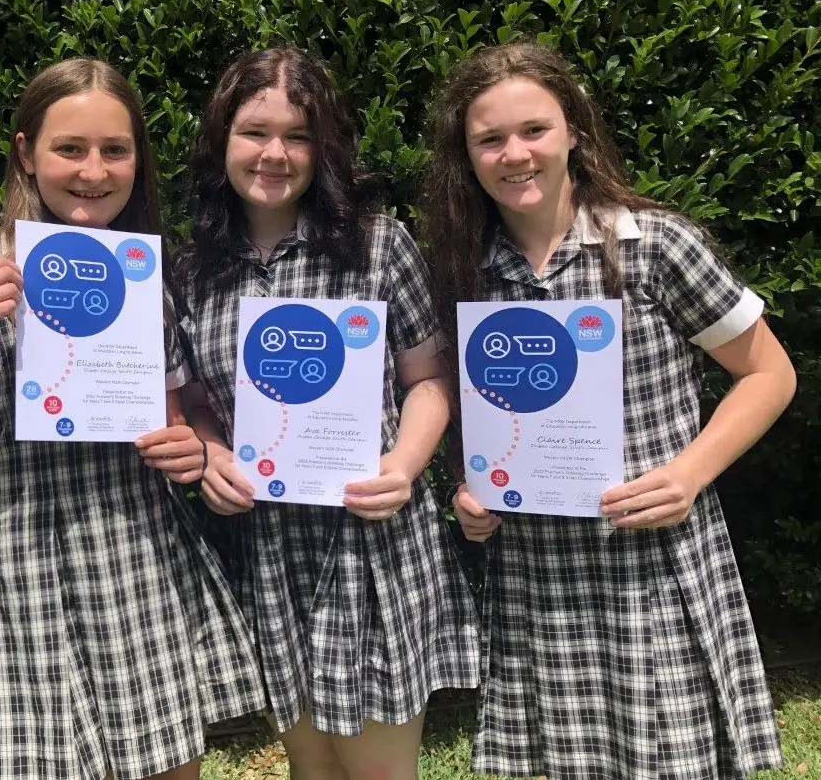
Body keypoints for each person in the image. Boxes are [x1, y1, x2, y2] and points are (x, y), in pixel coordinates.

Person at [421, 40, 795, 779]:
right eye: (489, 139)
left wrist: (688, 474)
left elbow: (769, 373)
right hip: (538, 577)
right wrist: (471, 494)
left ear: (574, 133)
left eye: (534, 130)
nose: (514, 153)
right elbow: (484, 420)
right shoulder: (466, 272)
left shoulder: (653, 245)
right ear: (466, 156)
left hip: (650, 566)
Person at [0, 57, 265, 780]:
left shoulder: (145, 277)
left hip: (140, 565)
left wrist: (188, 451)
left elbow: (172, 427)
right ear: (26, 151)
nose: (93, 170)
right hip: (26, 569)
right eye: (71, 148)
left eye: (115, 150)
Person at [177, 46, 480, 780]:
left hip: (368, 543)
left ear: (326, 148)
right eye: (254, 131)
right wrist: (212, 453)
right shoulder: (194, 270)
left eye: (299, 135)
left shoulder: (377, 243)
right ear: (223, 141)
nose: (275, 153)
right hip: (273, 552)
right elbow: (192, 399)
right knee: (312, 769)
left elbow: (430, 376)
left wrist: (404, 466)